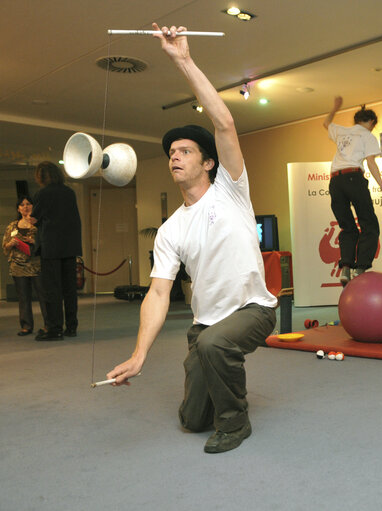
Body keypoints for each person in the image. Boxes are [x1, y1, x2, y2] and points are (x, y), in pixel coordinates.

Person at [107, 23, 277, 454]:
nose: (174, 157)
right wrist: (139, 354)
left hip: (252, 310)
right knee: (191, 420)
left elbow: (224, 121)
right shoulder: (170, 230)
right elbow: (159, 293)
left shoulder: (231, 189)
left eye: (184, 151)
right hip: (204, 327)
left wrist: (183, 59)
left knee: (219, 344)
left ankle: (236, 424)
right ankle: (214, 377)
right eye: (171, 153)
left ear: (208, 163)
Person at [323, 96, 382, 285]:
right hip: (354, 178)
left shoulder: (342, 131)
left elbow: (326, 123)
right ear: (371, 122)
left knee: (347, 227)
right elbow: (371, 163)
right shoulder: (368, 136)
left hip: (335, 182)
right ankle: (360, 268)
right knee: (369, 224)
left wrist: (335, 107)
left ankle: (345, 268)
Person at [30, 161, 82, 341]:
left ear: (42, 176)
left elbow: (34, 219)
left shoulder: (42, 194)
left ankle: (54, 329)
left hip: (51, 247)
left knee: (52, 290)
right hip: (70, 246)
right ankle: (72, 326)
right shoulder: (69, 192)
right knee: (69, 290)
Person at [2, 195, 48, 336]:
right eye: (22, 205)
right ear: (18, 208)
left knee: (44, 296)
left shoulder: (39, 224)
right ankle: (26, 326)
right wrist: (11, 244)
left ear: (33, 206)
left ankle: (49, 324)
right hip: (18, 266)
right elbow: (5, 247)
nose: (25, 207)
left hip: (36, 265)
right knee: (23, 298)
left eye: (28, 204)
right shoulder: (12, 226)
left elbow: (47, 243)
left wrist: (34, 241)